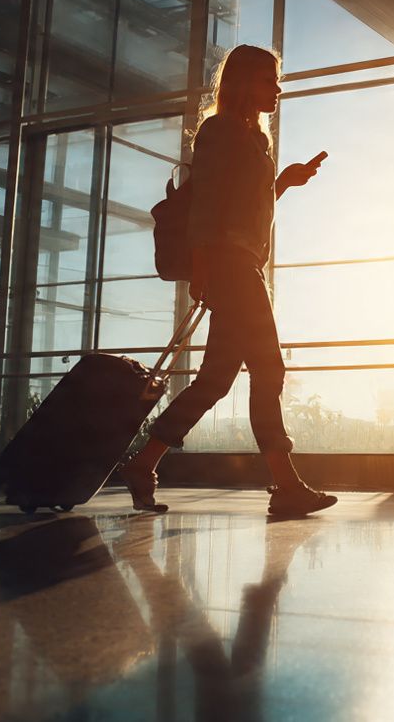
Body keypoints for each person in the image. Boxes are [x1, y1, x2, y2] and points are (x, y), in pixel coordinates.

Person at [117, 45, 337, 517]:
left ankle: (143, 464)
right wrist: (202, 270)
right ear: (242, 82)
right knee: (269, 369)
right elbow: (208, 207)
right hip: (229, 265)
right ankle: (286, 485)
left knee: (215, 379)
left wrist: (284, 183)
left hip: (243, 265)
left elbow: (247, 205)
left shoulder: (253, 139)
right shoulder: (218, 132)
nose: (276, 89)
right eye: (268, 80)